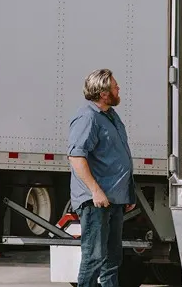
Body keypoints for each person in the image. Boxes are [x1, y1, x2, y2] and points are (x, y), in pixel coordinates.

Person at [67, 69, 136, 287]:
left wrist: (128, 192)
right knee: (94, 257)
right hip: (96, 201)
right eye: (115, 86)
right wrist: (95, 190)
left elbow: (119, 155)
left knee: (112, 258)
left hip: (114, 199)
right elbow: (76, 156)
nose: (119, 89)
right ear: (104, 93)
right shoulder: (87, 117)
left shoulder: (110, 115)